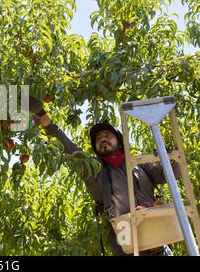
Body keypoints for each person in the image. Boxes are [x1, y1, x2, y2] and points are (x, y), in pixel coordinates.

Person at [29, 96, 181, 256]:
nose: (102, 139)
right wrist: (44, 117)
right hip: (129, 251)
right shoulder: (95, 170)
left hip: (160, 246)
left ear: (120, 141)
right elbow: (71, 150)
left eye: (108, 135)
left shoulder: (139, 164)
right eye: (98, 139)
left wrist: (169, 157)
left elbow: (171, 175)